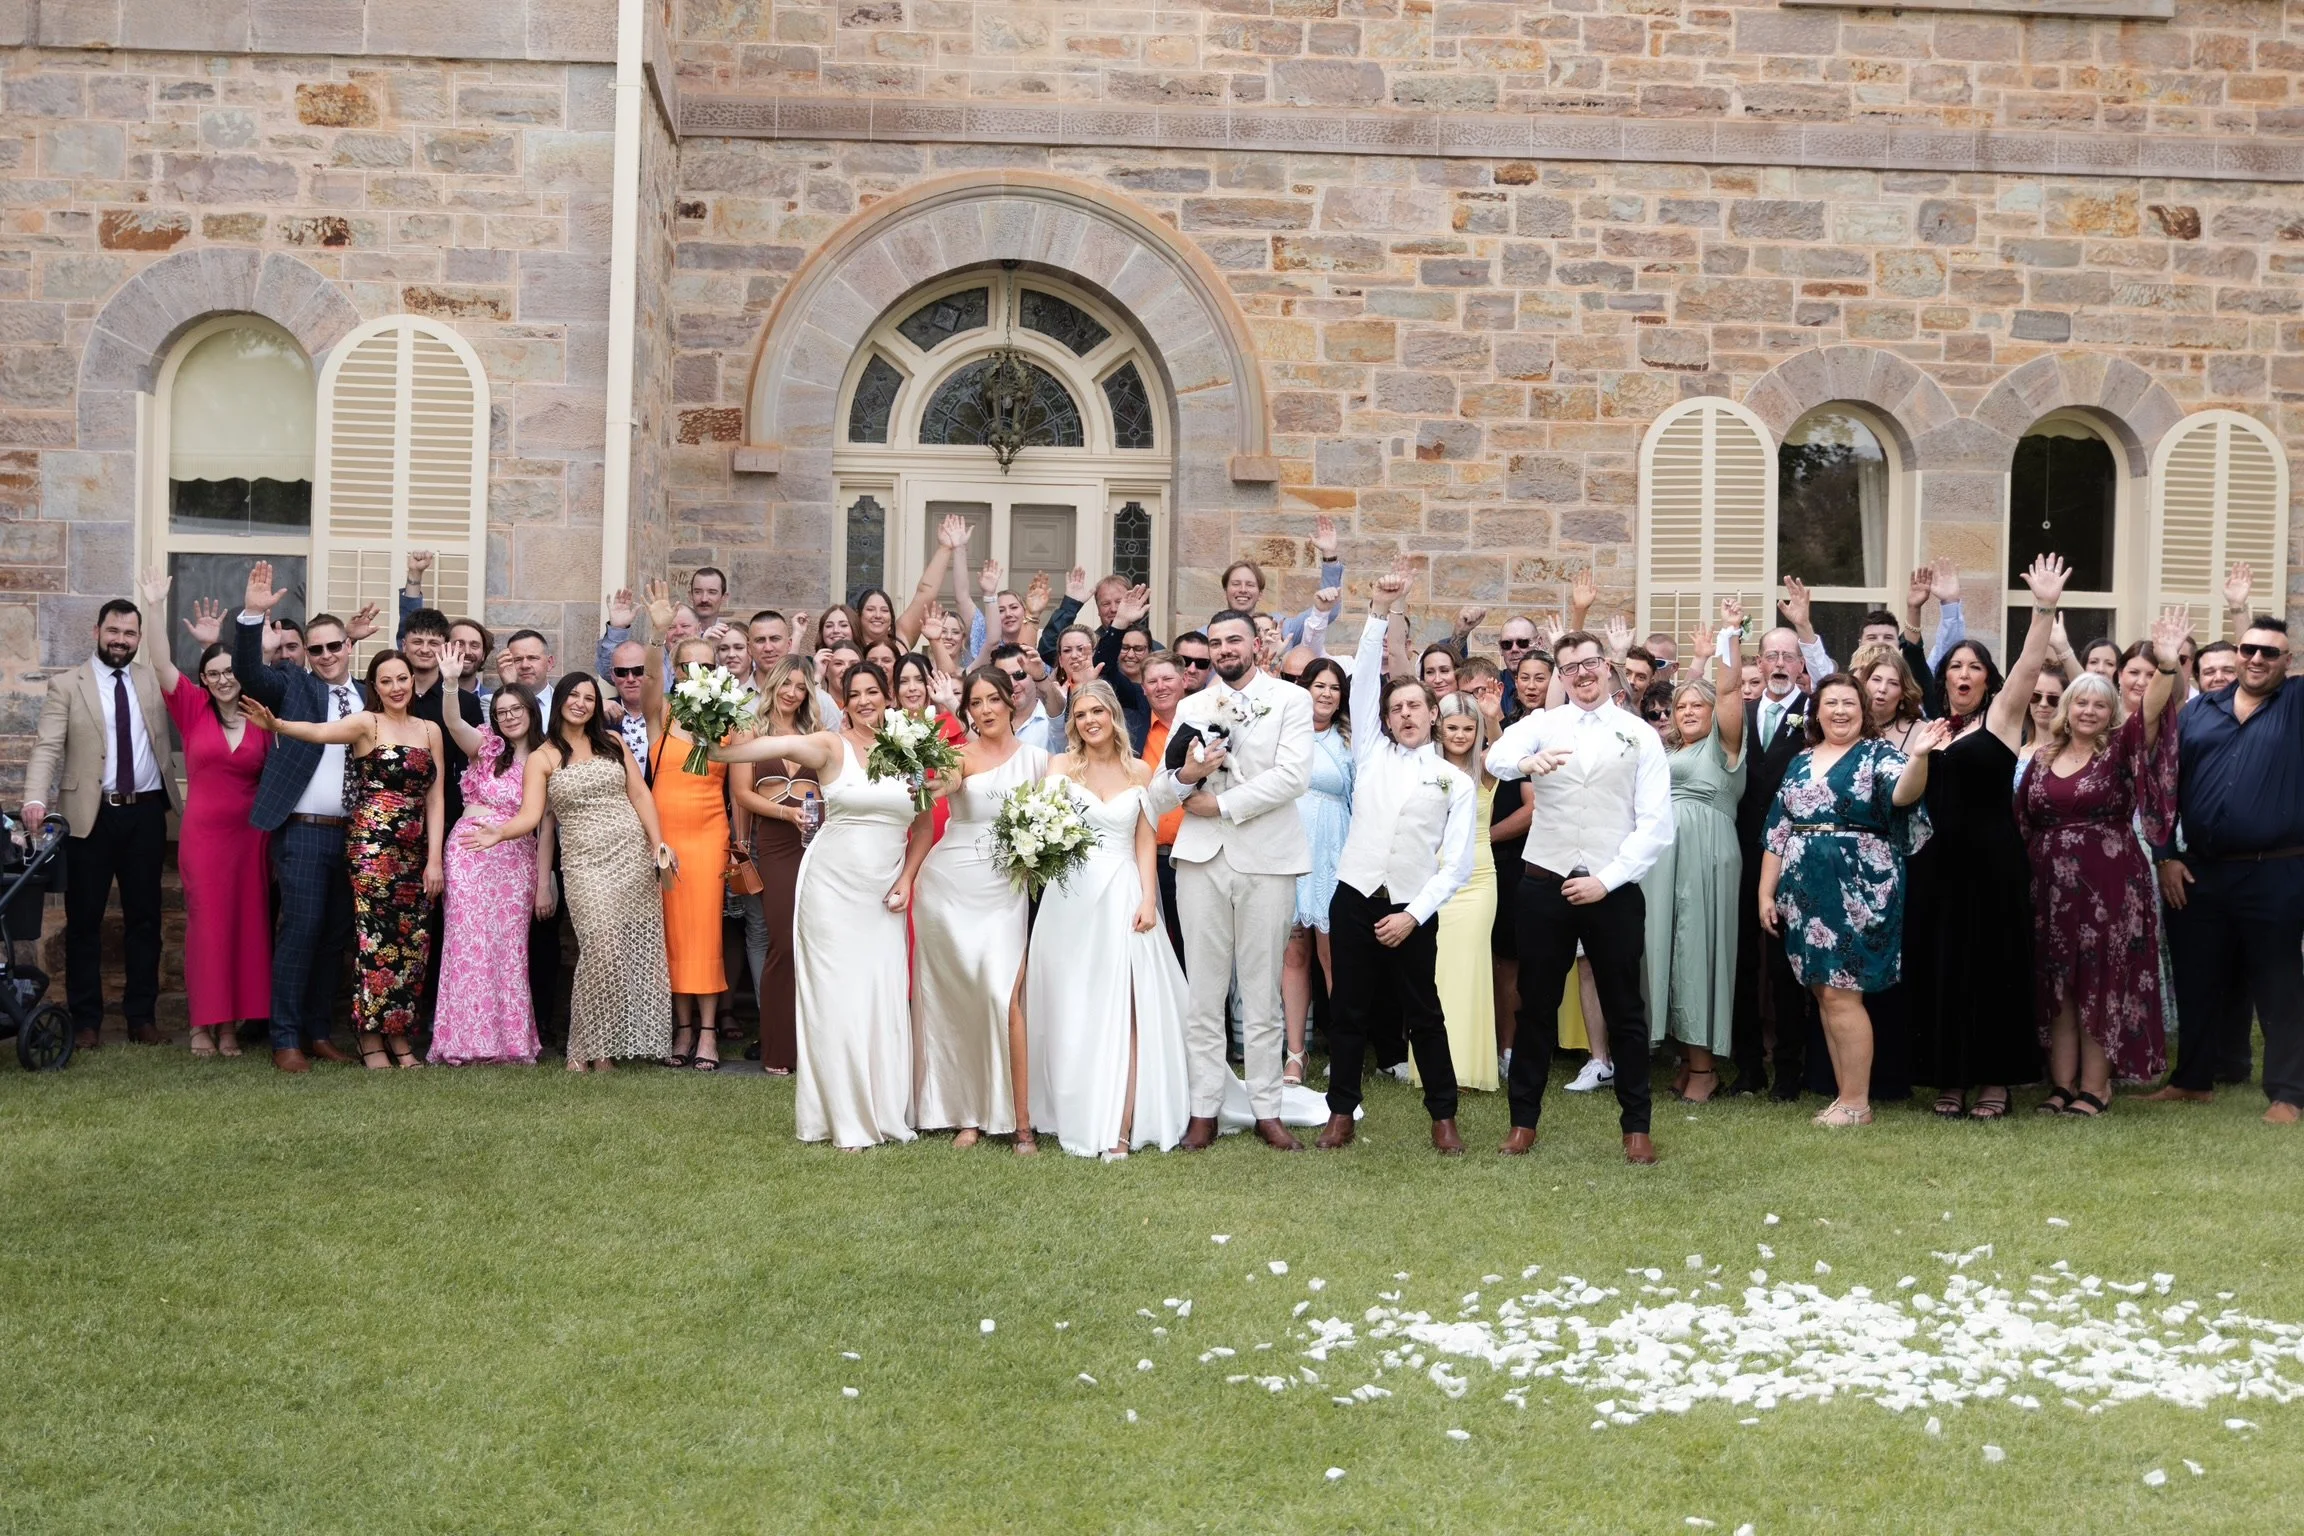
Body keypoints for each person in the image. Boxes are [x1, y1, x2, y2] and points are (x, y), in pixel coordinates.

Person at [713, 663, 929, 1147]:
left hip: (883, 893)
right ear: (844, 701)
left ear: (888, 696)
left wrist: (908, 878)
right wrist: (720, 735)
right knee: (837, 998)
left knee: (880, 995)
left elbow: (923, 826)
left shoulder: (909, 752)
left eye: (875, 691)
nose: (866, 700)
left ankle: (885, 1112)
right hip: (830, 888)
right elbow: (760, 749)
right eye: (856, 694)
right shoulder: (829, 745)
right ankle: (843, 1119)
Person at [1487, 628, 1673, 1163]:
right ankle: (1523, 1122)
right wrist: (1527, 765)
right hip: (1544, 884)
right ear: (1561, 678)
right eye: (1570, 669)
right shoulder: (1543, 725)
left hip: (1611, 890)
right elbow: (1497, 757)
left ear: (1607, 666)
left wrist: (1607, 880)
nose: (1582, 675)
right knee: (1536, 1007)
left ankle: (1636, 1126)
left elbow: (1656, 825)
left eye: (1590, 664)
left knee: (1625, 1009)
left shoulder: (1639, 735)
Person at [1314, 592, 1477, 1154]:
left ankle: (1444, 1118)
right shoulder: (1370, 755)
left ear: (1434, 714)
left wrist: (1412, 915)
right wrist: (1378, 615)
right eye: (1396, 708)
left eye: (1415, 706)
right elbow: (1361, 685)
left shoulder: (1455, 782)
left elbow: (1456, 864)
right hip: (1355, 895)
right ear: (1384, 719)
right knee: (1348, 1012)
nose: (1406, 714)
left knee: (1424, 1013)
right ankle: (1341, 1113)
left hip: (1411, 905)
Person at [1906, 555, 2066, 1119]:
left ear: (1987, 679)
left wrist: (2043, 607)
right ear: (1944, 676)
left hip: (1994, 864)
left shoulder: (2000, 719)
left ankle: (1995, 1081)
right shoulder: (1927, 727)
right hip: (1937, 865)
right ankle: (1949, 1078)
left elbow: (2028, 664)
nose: (1965, 674)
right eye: (1956, 666)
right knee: (1945, 968)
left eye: (1975, 667)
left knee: (1995, 968)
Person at [1150, 610, 1316, 1151]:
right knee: (1204, 990)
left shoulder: (1290, 700)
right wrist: (1187, 779)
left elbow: (1293, 777)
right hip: (1200, 860)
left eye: (1232, 640)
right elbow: (1160, 788)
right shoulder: (1192, 706)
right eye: (1214, 642)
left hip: (1267, 858)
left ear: (1256, 645)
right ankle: (1205, 1109)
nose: (1223, 649)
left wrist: (1219, 804)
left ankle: (1268, 1108)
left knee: (1262, 989)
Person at [1757, 678, 1946, 1126]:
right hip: (1804, 890)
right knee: (1825, 993)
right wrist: (1767, 891)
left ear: (1862, 710)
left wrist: (1918, 757)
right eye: (1830, 703)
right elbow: (1777, 829)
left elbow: (1904, 793)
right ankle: (1846, 1098)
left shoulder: (1880, 755)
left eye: (1848, 703)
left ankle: (1857, 1103)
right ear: (1816, 712)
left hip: (1857, 887)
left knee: (1843, 993)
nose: (1840, 711)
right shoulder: (1801, 760)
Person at [243, 650, 445, 1070]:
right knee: (374, 943)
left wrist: (435, 860)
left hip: (414, 853)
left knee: (411, 945)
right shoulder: (366, 723)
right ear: (375, 686)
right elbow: (318, 732)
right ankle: (370, 1040)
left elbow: (436, 797)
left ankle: (401, 1039)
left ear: (412, 681)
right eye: (386, 680)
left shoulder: (430, 730)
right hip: (371, 848)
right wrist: (277, 725)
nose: (396, 687)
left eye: (402, 678)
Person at [2018, 616, 2186, 1117]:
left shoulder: (2119, 750)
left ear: (2111, 711)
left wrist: (2169, 662)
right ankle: (2062, 1085)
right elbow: (2024, 820)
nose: (2088, 709)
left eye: (2099, 703)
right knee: (2059, 985)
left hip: (2110, 886)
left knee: (2100, 982)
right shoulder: (2042, 757)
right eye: (2080, 702)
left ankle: (2096, 1087)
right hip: (2048, 887)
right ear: (2065, 710)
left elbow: (2152, 711)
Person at [468, 675, 673, 1071]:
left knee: (627, 954)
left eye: (589, 698)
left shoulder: (612, 743)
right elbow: (532, 816)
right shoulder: (543, 757)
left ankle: (603, 1052)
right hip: (584, 864)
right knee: (601, 952)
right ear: (560, 700)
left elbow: (640, 794)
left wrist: (657, 843)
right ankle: (583, 1048)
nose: (581, 703)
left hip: (631, 855)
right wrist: (500, 832)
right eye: (574, 696)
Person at [1022, 683, 1193, 1158]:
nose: (1089, 720)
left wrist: (1148, 900)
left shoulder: (1139, 770)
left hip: (1122, 893)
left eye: (1097, 710)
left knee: (1128, 1006)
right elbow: (1038, 828)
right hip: (1067, 898)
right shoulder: (1059, 767)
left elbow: (1144, 841)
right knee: (1073, 1004)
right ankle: (1074, 1104)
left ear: (1113, 714)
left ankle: (1122, 1123)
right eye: (1079, 714)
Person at [2152, 615, 2304, 1123]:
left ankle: (2288, 1094)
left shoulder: (2296, 705)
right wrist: (2166, 855)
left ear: (2288, 662)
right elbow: (2164, 786)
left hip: (2275, 872)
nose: (2256, 659)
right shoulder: (2199, 713)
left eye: (2269, 653)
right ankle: (2191, 1080)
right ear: (2236, 653)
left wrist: (2243, 607)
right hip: (2200, 870)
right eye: (2248, 649)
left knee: (2278, 985)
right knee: (2197, 980)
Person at [228, 562, 376, 1072]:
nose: (328, 655)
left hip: (358, 836)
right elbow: (249, 675)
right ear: (306, 654)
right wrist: (251, 615)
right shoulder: (295, 685)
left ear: (349, 648)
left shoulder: (369, 695)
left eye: (336, 646)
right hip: (303, 833)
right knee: (301, 931)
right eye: (317, 649)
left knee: (335, 936)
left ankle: (317, 1031)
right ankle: (284, 1037)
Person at [21, 595, 176, 1051]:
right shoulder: (68, 685)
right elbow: (47, 746)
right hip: (90, 817)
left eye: (130, 633)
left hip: (147, 813)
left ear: (139, 639)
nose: (120, 640)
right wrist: (34, 796)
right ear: (97, 632)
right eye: (113, 631)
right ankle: (86, 1020)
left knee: (145, 920)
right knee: (84, 921)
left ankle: (141, 1018)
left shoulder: (152, 681)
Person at [907, 665, 1048, 1150]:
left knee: (999, 994)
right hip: (948, 887)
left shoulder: (1038, 760)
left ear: (1011, 702)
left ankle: (1022, 1121)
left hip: (1005, 890)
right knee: (958, 1001)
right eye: (976, 703)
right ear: (966, 710)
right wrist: (930, 782)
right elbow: (942, 782)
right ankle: (966, 1112)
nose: (985, 710)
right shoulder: (958, 755)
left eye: (993, 699)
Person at [141, 579, 269, 1056]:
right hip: (206, 838)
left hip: (251, 839)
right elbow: (159, 662)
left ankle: (232, 1027)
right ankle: (202, 1025)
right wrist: (155, 607)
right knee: (208, 928)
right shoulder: (193, 708)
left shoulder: (262, 714)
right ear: (205, 680)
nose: (221, 679)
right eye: (212, 672)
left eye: (229, 670)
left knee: (245, 928)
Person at [1640, 608, 1748, 1105]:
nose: (1685, 712)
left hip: (1706, 851)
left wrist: (1729, 638)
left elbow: (1726, 692)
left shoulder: (1722, 748)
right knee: (1671, 947)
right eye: (1679, 706)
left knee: (1699, 949)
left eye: (1695, 707)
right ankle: (1686, 1059)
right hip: (1668, 856)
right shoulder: (1669, 752)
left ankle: (1706, 1067)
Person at [428, 665, 552, 1066]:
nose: (510, 716)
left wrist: (543, 883)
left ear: (531, 711)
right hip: (470, 852)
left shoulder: (548, 757)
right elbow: (452, 721)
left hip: (517, 859)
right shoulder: (485, 747)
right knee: (467, 946)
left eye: (517, 708)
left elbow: (546, 824)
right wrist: (449, 685)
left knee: (509, 949)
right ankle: (463, 1042)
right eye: (501, 711)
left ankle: (510, 1043)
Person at [1728, 620, 1818, 1098]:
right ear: (1758, 663)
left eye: (1789, 657)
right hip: (1742, 849)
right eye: (1771, 656)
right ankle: (1747, 1066)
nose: (1780, 665)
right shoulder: (1738, 714)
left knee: (1787, 965)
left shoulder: (1815, 712)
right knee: (1743, 960)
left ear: (1801, 665)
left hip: (1794, 853)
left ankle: (1788, 1070)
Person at [639, 635, 734, 1071]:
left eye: (707, 666)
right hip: (665, 836)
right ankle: (682, 1028)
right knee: (673, 932)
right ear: (675, 671)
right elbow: (650, 681)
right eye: (686, 666)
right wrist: (659, 637)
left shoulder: (730, 718)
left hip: (710, 833)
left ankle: (709, 1032)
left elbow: (740, 787)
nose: (697, 672)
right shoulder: (662, 712)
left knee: (705, 931)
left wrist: (740, 844)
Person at [726, 657, 819, 1077]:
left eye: (801, 687)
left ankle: (816, 1047)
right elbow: (742, 794)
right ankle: (780, 1048)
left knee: (813, 945)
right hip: (778, 846)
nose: (792, 693)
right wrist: (786, 816)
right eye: (787, 684)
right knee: (782, 942)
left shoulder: (816, 737)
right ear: (773, 684)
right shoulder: (750, 733)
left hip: (819, 848)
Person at [1283, 656, 1352, 1088]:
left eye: (1334, 688)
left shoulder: (1350, 739)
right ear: (1303, 688)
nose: (1325, 694)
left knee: (1334, 957)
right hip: (1289, 847)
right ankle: (1295, 1054)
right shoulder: (1285, 735)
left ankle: (1344, 1049)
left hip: (1333, 852)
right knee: (1293, 953)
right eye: (1318, 685)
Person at [1429, 690, 1499, 1097]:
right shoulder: (1427, 766)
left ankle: (1470, 1069)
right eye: (1452, 727)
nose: (1459, 735)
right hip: (1435, 878)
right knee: (1436, 972)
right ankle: (1436, 1066)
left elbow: (1508, 753)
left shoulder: (1486, 768)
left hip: (1477, 878)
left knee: (1471, 968)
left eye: (1467, 729)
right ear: (1439, 727)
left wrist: (1492, 719)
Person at [1139, 651, 1190, 965]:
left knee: (1198, 946)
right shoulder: (1134, 728)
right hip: (1152, 859)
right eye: (1152, 681)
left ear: (1183, 681)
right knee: (1156, 950)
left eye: (1167, 678)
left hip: (1196, 855)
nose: (1160, 686)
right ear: (1143, 688)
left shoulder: (1204, 721)